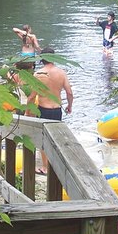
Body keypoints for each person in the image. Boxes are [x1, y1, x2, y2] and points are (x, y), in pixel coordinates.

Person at [27, 47, 73, 175]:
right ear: (54, 57)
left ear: (41, 59)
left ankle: (46, 167)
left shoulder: (39, 74)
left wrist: (28, 112)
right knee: (56, 138)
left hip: (43, 110)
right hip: (57, 110)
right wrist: (69, 106)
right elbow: (69, 92)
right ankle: (57, 165)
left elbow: (31, 97)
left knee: (44, 140)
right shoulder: (61, 73)